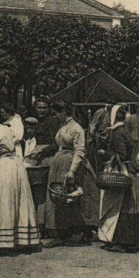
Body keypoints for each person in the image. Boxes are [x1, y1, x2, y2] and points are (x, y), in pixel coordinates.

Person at [0, 105, 40, 254]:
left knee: (2, 201)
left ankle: (3, 243)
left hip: (3, 167)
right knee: (18, 200)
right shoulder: (5, 127)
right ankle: (22, 240)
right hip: (16, 165)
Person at [41, 102, 100, 247]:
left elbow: (80, 150)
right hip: (59, 163)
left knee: (74, 196)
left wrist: (72, 170)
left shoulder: (76, 128)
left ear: (64, 112)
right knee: (59, 195)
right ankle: (62, 231)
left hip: (72, 164)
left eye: (56, 113)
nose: (54, 116)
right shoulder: (63, 126)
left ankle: (85, 231)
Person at [97, 105, 139, 252]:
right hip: (129, 171)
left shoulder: (117, 133)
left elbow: (121, 154)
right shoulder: (125, 131)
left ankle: (122, 240)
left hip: (122, 171)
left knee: (120, 206)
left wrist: (105, 155)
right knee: (130, 205)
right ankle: (129, 240)